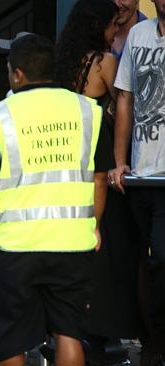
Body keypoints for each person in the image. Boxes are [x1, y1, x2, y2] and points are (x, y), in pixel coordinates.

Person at [0, 34, 112, 366]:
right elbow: (100, 179)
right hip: (72, 242)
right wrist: (94, 226)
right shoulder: (88, 112)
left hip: (14, 246)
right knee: (69, 330)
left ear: (16, 74)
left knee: (10, 336)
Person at [56, 0, 141, 362]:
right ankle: (102, 328)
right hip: (102, 163)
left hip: (69, 165)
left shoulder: (63, 64)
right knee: (109, 248)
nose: (113, 32)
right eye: (110, 26)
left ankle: (72, 326)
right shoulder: (103, 62)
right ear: (98, 27)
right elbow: (127, 106)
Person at [110, 0, 165, 363]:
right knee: (146, 262)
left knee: (160, 258)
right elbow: (125, 99)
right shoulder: (140, 35)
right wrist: (119, 160)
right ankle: (152, 342)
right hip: (143, 174)